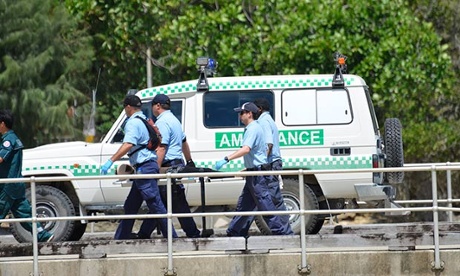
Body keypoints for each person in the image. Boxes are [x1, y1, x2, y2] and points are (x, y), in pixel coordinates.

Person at [101, 95, 177, 240]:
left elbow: (128, 144)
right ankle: (121, 238)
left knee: (156, 205)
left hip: (144, 168)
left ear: (128, 107)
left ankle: (173, 239)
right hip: (145, 167)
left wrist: (111, 160)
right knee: (131, 205)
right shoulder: (144, 119)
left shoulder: (132, 123)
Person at [215, 102, 291, 237]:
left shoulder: (253, 129)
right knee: (244, 204)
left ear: (249, 114)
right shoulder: (255, 127)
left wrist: (226, 159)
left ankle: (281, 232)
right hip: (254, 172)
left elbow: (246, 149)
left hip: (257, 174)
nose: (240, 116)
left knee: (265, 203)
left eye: (242, 113)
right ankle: (234, 231)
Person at [135, 94, 201, 239]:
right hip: (177, 162)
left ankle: (193, 234)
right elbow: (184, 142)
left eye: (153, 105)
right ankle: (144, 233)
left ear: (157, 106)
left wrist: (155, 169)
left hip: (167, 165)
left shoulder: (163, 122)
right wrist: (189, 160)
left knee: (172, 202)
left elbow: (161, 148)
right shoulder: (175, 120)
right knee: (162, 202)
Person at [0, 110, 54, 242]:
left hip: (8, 184)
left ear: (2, 124)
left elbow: (1, 158)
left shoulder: (8, 140)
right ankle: (42, 234)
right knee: (23, 212)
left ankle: (41, 235)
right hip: (16, 183)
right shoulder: (13, 138)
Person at [254, 98, 292, 232]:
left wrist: (263, 162)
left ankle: (286, 231)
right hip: (273, 162)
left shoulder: (263, 121)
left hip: (270, 163)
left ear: (259, 109)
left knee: (274, 198)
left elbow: (268, 144)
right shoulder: (269, 119)